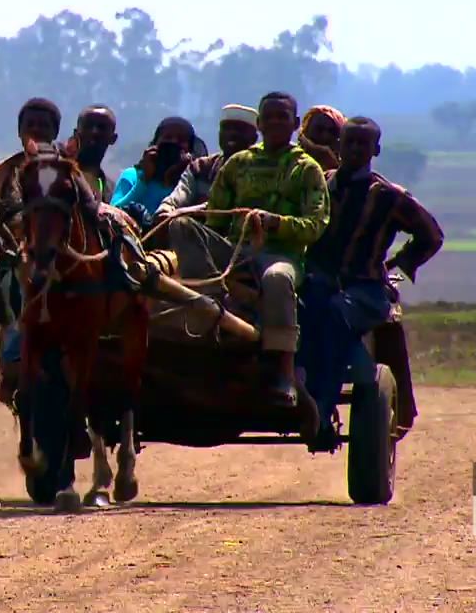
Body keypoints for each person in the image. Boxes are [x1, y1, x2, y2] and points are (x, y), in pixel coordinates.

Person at [169, 91, 330, 409]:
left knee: (276, 280)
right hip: (233, 253)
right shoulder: (238, 165)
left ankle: (284, 372)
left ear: (295, 124)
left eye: (281, 117)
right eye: (268, 117)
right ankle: (214, 307)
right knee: (180, 226)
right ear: (258, 123)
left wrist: (274, 222)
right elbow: (215, 218)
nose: (274, 122)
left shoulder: (307, 169)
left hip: (282, 256)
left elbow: (316, 224)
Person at [299, 116, 444, 451]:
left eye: (363, 143)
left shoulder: (388, 196)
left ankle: (319, 409)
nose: (354, 149)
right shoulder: (320, 185)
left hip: (365, 292)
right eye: (349, 142)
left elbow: (431, 235)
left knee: (333, 313)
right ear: (338, 145)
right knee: (299, 306)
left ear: (375, 149)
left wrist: (401, 262)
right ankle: (294, 384)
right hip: (318, 284)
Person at [0, 97, 64, 407]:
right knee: (14, 300)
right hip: (16, 266)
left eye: (43, 125)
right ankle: (12, 372)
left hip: (65, 261)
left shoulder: (68, 171)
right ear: (19, 130)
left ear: (55, 131)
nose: (36, 129)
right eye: (30, 124)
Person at [154, 104, 260, 221]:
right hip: (198, 235)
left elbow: (224, 208)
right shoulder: (200, 167)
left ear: (254, 138)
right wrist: (166, 209)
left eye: (240, 130)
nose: (232, 134)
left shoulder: (260, 169)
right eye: (226, 128)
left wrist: (182, 212)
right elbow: (179, 196)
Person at [111, 116, 199, 229]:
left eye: (181, 140)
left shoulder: (193, 183)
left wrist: (180, 178)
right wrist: (143, 180)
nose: (173, 142)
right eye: (167, 137)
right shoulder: (132, 175)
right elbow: (112, 213)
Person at [66, 104, 119, 204]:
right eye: (88, 126)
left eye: (102, 127)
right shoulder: (59, 179)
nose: (94, 132)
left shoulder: (112, 192)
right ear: (76, 134)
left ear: (113, 139)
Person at [298, 105, 347, 171]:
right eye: (319, 129)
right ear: (305, 131)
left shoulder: (350, 174)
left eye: (332, 132)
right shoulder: (288, 161)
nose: (325, 136)